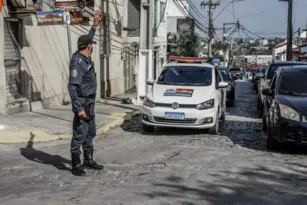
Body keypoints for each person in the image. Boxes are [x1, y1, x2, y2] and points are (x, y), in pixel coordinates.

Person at [68, 10, 104, 176]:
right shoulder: (78, 62)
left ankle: (88, 160)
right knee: (79, 134)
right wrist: (78, 108)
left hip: (90, 101)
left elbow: (88, 36)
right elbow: (72, 87)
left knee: (90, 132)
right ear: (88, 47)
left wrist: (95, 24)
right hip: (82, 102)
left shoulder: (85, 55)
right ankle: (76, 165)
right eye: (91, 45)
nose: (92, 47)